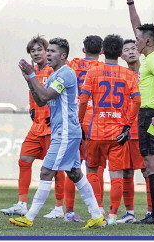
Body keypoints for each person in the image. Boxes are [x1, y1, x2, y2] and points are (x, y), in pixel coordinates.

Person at [9, 38, 106, 229]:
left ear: (63, 55)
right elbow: (41, 101)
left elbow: (46, 95)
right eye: (49, 51)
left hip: (66, 132)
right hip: (63, 131)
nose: (48, 54)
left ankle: (29, 217)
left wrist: (32, 75)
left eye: (52, 51)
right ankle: (96, 215)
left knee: (46, 171)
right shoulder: (55, 75)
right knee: (75, 173)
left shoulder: (66, 73)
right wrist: (30, 80)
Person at [78, 34, 141, 226]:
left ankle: (98, 209)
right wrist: (128, 125)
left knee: (92, 169)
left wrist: (79, 122)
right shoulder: (128, 74)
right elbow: (137, 101)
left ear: (103, 51)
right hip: (118, 132)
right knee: (117, 174)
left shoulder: (93, 72)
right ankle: (113, 215)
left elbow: (83, 100)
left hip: (96, 130)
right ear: (121, 53)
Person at [0, 35, 66, 218]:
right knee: (24, 160)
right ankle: (21, 204)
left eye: (39, 50)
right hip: (37, 126)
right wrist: (32, 109)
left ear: (47, 51)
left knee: (57, 168)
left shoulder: (55, 70)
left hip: (53, 127)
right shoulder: (33, 71)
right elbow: (34, 94)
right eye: (32, 51)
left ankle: (59, 207)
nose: (36, 53)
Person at [124, 0, 154, 224]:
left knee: (152, 166)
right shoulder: (152, 56)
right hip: (153, 115)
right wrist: (131, 4)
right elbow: (137, 27)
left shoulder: (153, 60)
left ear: (148, 41)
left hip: (150, 115)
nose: (136, 41)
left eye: (139, 39)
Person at [66, 35, 104, 222]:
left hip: (75, 119)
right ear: (102, 51)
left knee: (72, 165)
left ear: (83, 50)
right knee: (95, 167)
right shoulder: (102, 69)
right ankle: (99, 209)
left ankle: (69, 211)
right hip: (95, 120)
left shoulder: (73, 64)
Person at [117, 39, 151, 223]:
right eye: (126, 50)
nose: (131, 52)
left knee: (148, 170)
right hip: (126, 129)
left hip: (144, 128)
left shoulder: (148, 72)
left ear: (139, 52)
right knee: (127, 172)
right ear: (121, 55)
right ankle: (129, 213)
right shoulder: (121, 75)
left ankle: (151, 212)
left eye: (133, 48)